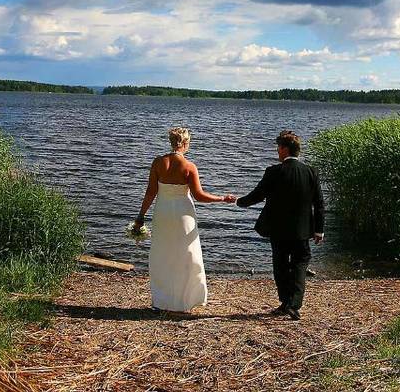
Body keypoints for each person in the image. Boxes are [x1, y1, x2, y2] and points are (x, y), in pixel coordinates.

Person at [134, 127, 236, 312]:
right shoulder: (189, 167)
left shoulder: (158, 163)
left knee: (162, 253)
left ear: (171, 141)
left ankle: (162, 300)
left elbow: (150, 192)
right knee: (187, 254)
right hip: (183, 214)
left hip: (163, 212)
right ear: (186, 143)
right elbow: (199, 196)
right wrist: (222, 198)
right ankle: (186, 300)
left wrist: (140, 216)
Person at [236, 130, 325, 320]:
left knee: (281, 265)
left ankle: (287, 302)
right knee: (301, 264)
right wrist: (319, 229)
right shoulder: (311, 172)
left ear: (284, 149)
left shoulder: (274, 172)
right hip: (302, 230)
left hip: (278, 229)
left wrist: (237, 201)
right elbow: (319, 203)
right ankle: (292, 304)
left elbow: (257, 195)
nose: (277, 151)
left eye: (278, 147)